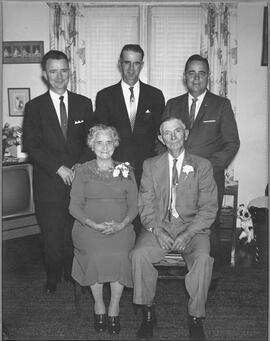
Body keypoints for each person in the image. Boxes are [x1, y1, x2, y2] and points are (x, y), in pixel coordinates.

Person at [130, 117, 218, 341]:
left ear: (185, 133)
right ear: (161, 138)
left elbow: (209, 208)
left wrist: (188, 233)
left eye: (177, 131)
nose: (173, 136)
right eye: (167, 133)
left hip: (193, 229)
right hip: (159, 227)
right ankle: (148, 312)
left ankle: (195, 317)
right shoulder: (150, 165)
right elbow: (145, 204)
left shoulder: (203, 166)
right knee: (138, 255)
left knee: (202, 259)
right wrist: (157, 230)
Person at [23, 50, 95, 294]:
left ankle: (73, 273)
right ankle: (52, 277)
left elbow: (91, 141)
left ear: (70, 71)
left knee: (74, 234)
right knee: (52, 235)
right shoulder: (34, 107)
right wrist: (58, 167)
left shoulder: (84, 104)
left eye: (63, 70)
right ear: (45, 75)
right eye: (53, 71)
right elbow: (32, 145)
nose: (59, 76)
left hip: (79, 181)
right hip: (49, 183)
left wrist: (79, 165)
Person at [162, 54, 240, 270]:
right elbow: (160, 141)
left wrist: (205, 168)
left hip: (208, 179)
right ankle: (175, 266)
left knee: (208, 225)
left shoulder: (221, 105)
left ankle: (208, 276)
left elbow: (232, 143)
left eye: (201, 73)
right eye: (191, 73)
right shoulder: (173, 104)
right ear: (184, 76)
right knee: (176, 221)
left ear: (208, 77)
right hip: (175, 179)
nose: (196, 78)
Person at [69, 124, 138, 335]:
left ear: (115, 144)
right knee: (95, 254)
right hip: (88, 227)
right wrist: (93, 224)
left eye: (109, 141)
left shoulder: (127, 170)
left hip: (121, 227)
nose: (105, 146)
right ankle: (98, 304)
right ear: (92, 145)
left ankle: (114, 307)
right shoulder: (81, 171)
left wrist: (122, 224)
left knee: (120, 255)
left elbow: (135, 205)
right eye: (99, 142)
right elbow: (74, 206)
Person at [95, 44, 165, 186]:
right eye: (127, 62)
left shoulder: (155, 95)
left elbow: (160, 134)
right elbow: (100, 134)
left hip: (147, 171)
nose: (131, 69)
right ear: (120, 63)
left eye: (136, 63)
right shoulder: (105, 96)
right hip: (114, 169)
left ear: (142, 65)